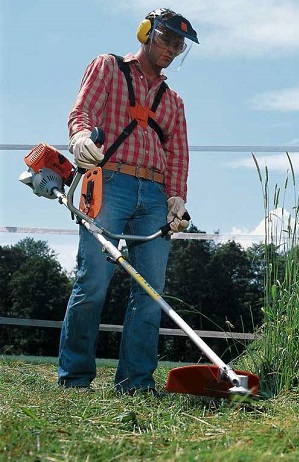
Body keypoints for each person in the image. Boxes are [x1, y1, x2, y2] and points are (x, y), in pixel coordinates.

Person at [58, 8, 198, 394]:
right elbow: (82, 110)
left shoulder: (174, 102)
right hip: (108, 183)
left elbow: (178, 155)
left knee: (150, 293)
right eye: (167, 39)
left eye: (179, 45)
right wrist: (81, 137)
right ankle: (75, 378)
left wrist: (176, 198)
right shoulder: (108, 67)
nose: (172, 49)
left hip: (154, 196)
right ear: (146, 32)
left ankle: (135, 383)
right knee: (93, 283)